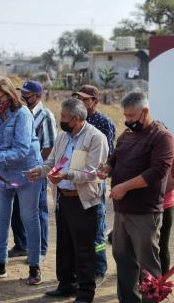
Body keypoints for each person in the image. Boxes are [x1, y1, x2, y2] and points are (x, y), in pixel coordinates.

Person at [29, 98, 108, 303]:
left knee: (83, 248)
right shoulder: (64, 136)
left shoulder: (95, 138)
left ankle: (85, 292)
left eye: (64, 117)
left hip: (83, 201)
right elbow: (52, 161)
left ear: (76, 119)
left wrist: (66, 176)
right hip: (63, 198)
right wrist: (39, 171)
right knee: (64, 245)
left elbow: (92, 173)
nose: (60, 120)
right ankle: (66, 285)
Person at [97, 92, 174, 303]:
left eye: (132, 116)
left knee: (148, 264)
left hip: (145, 212)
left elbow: (157, 171)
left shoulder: (162, 137)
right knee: (122, 258)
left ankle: (151, 300)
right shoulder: (128, 134)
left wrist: (125, 187)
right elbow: (115, 157)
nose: (128, 120)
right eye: (126, 116)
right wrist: (107, 169)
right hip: (122, 210)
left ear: (145, 111)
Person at [0, 78, 44, 284]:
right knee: (1, 219)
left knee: (29, 218)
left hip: (27, 172)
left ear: (10, 94)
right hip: (1, 175)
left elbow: (22, 149)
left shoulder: (23, 114)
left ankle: (34, 265)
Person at [73, 85, 116, 286]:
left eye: (85, 99)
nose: (81, 102)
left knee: (97, 227)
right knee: (78, 226)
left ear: (94, 102)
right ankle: (81, 268)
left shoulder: (103, 122)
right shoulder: (74, 120)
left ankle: (99, 269)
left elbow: (106, 156)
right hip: (75, 178)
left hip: (95, 181)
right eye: (78, 98)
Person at [9, 80, 56, 261]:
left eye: (27, 95)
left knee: (37, 211)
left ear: (37, 96)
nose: (23, 97)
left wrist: (40, 170)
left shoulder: (46, 116)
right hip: (17, 171)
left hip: (36, 171)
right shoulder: (20, 113)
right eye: (22, 94)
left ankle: (41, 250)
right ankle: (22, 245)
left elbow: (49, 147)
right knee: (17, 211)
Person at [160, 164, 174, 275]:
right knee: (143, 250)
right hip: (143, 206)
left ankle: (161, 286)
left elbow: (170, 183)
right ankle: (145, 285)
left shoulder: (169, 147)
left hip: (165, 205)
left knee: (162, 247)